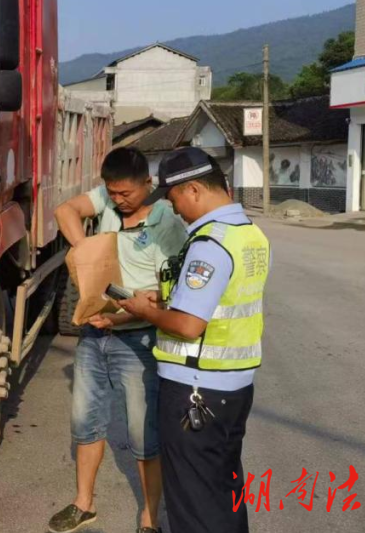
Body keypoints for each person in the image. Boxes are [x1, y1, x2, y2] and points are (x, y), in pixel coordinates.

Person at [117, 147, 270, 533]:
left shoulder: (209, 244)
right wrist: (165, 298)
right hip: (233, 386)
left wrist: (144, 311)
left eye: (174, 200)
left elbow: (187, 326)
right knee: (221, 489)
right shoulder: (249, 233)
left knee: (193, 501)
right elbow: (219, 298)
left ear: (195, 190)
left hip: (195, 388)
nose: (174, 210)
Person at [49, 147, 188, 533]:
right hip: (94, 334)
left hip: (138, 339)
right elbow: (65, 211)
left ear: (147, 183)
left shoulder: (167, 222)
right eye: (112, 193)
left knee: (144, 433)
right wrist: (88, 251)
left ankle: (149, 518)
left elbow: (168, 293)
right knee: (86, 422)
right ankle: (83, 503)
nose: (118, 200)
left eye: (126, 193)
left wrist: (125, 313)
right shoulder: (107, 199)